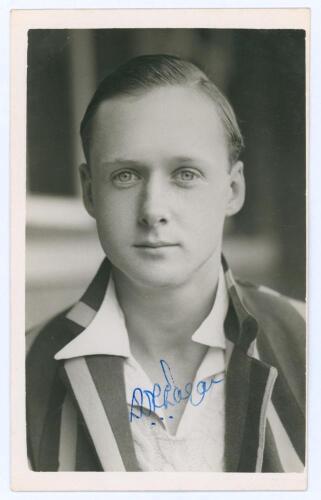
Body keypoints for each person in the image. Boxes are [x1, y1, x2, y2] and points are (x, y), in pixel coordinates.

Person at [26, 54, 306, 472]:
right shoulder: (19, 369)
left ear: (232, 190)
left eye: (185, 174)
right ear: (89, 192)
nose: (153, 209)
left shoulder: (306, 340)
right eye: (126, 175)